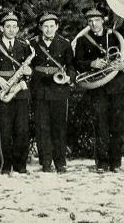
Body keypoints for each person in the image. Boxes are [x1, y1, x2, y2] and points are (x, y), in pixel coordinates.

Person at [74, 7, 124, 173]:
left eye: (96, 20)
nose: (93, 23)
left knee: (117, 125)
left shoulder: (115, 36)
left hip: (117, 86)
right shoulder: (83, 40)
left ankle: (116, 163)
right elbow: (77, 62)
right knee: (100, 125)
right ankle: (102, 163)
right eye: (90, 21)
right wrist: (91, 64)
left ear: (102, 20)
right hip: (97, 89)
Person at [0, 11, 33, 175]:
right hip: (2, 90)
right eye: (8, 26)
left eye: (14, 26)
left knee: (22, 129)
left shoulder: (25, 46)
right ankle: (6, 165)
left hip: (20, 91)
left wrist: (27, 76)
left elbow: (28, 71)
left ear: (18, 28)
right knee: (4, 130)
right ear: (1, 28)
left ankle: (21, 165)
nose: (12, 30)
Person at [29, 12, 75, 173]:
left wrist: (70, 77)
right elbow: (29, 66)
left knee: (59, 127)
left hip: (59, 89)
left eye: (51, 26)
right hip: (40, 89)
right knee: (42, 128)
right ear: (41, 27)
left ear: (57, 27)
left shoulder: (64, 43)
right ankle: (46, 162)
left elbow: (71, 65)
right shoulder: (32, 43)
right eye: (45, 26)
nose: (48, 30)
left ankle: (60, 161)